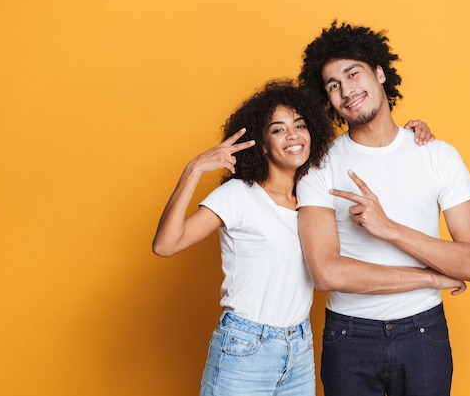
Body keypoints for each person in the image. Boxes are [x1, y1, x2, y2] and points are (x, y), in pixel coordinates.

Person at [152, 79, 441, 396]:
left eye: (299, 125)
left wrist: (413, 136)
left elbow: (377, 153)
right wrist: (193, 170)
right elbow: (165, 245)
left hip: (300, 347)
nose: (292, 136)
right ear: (262, 144)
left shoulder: (315, 193)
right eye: (278, 129)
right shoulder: (238, 195)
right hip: (245, 346)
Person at [296, 21, 470, 396]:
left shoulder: (437, 155)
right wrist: (430, 278)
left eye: (353, 74)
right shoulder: (319, 165)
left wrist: (389, 229)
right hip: (349, 335)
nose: (346, 90)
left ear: (380, 73)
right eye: (333, 85)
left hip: (424, 334)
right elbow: (326, 273)